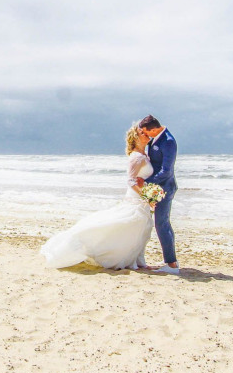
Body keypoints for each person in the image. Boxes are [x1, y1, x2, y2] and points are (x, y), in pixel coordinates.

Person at [40, 124, 156, 270]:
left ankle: (140, 262)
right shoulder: (136, 157)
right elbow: (131, 181)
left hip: (142, 198)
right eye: (142, 132)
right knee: (130, 225)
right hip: (136, 197)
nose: (146, 134)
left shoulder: (145, 155)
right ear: (135, 137)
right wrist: (147, 196)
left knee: (142, 228)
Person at [134, 115, 180, 274]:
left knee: (161, 223)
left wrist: (146, 181)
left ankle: (172, 264)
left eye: (148, 133)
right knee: (163, 223)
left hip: (165, 187)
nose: (147, 136)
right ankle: (170, 259)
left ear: (154, 129)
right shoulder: (156, 139)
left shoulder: (167, 141)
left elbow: (166, 171)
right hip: (157, 187)